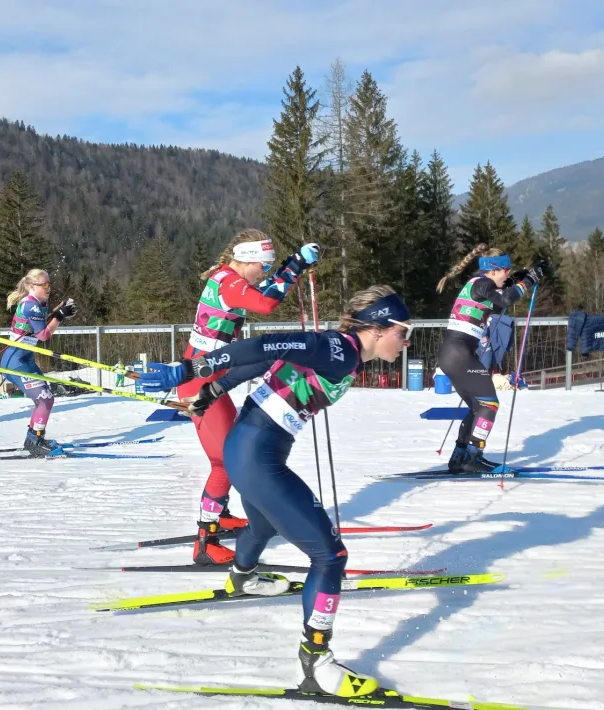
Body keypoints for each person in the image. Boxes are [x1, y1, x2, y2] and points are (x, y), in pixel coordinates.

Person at [140, 285, 411, 699]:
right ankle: (318, 665)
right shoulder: (339, 349)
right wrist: (192, 371)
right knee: (330, 556)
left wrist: (212, 389)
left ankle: (242, 577)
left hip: (247, 450)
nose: (406, 341)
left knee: (263, 524)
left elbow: (269, 359)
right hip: (256, 454)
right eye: (402, 331)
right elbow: (263, 343)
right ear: (376, 328)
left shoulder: (343, 353)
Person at [180, 229, 320, 565]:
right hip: (199, 382)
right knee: (226, 461)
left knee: (231, 454)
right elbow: (266, 304)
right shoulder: (229, 282)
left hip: (213, 377)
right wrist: (295, 267)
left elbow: (261, 295)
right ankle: (205, 542)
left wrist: (290, 267)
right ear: (246, 259)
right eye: (265, 266)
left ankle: (221, 514)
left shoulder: (229, 277)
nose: (266, 273)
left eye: (270, 267)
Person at [435, 243, 547, 473]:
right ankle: (474, 456)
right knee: (489, 404)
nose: (508, 275)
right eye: (506, 270)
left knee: (477, 406)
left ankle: (460, 456)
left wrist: (523, 276)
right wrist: (527, 282)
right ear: (494, 270)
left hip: (452, 353)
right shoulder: (483, 283)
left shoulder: (479, 285)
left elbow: (502, 295)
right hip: (459, 353)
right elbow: (505, 299)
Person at [0, 269, 77, 458]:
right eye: (44, 285)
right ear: (32, 286)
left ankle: (34, 438)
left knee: (44, 399)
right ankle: (35, 441)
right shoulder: (31, 305)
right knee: (45, 399)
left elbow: (41, 325)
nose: (48, 288)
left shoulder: (41, 303)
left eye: (49, 284)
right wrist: (60, 316)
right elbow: (43, 335)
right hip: (15, 361)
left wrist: (61, 312)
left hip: (25, 358)